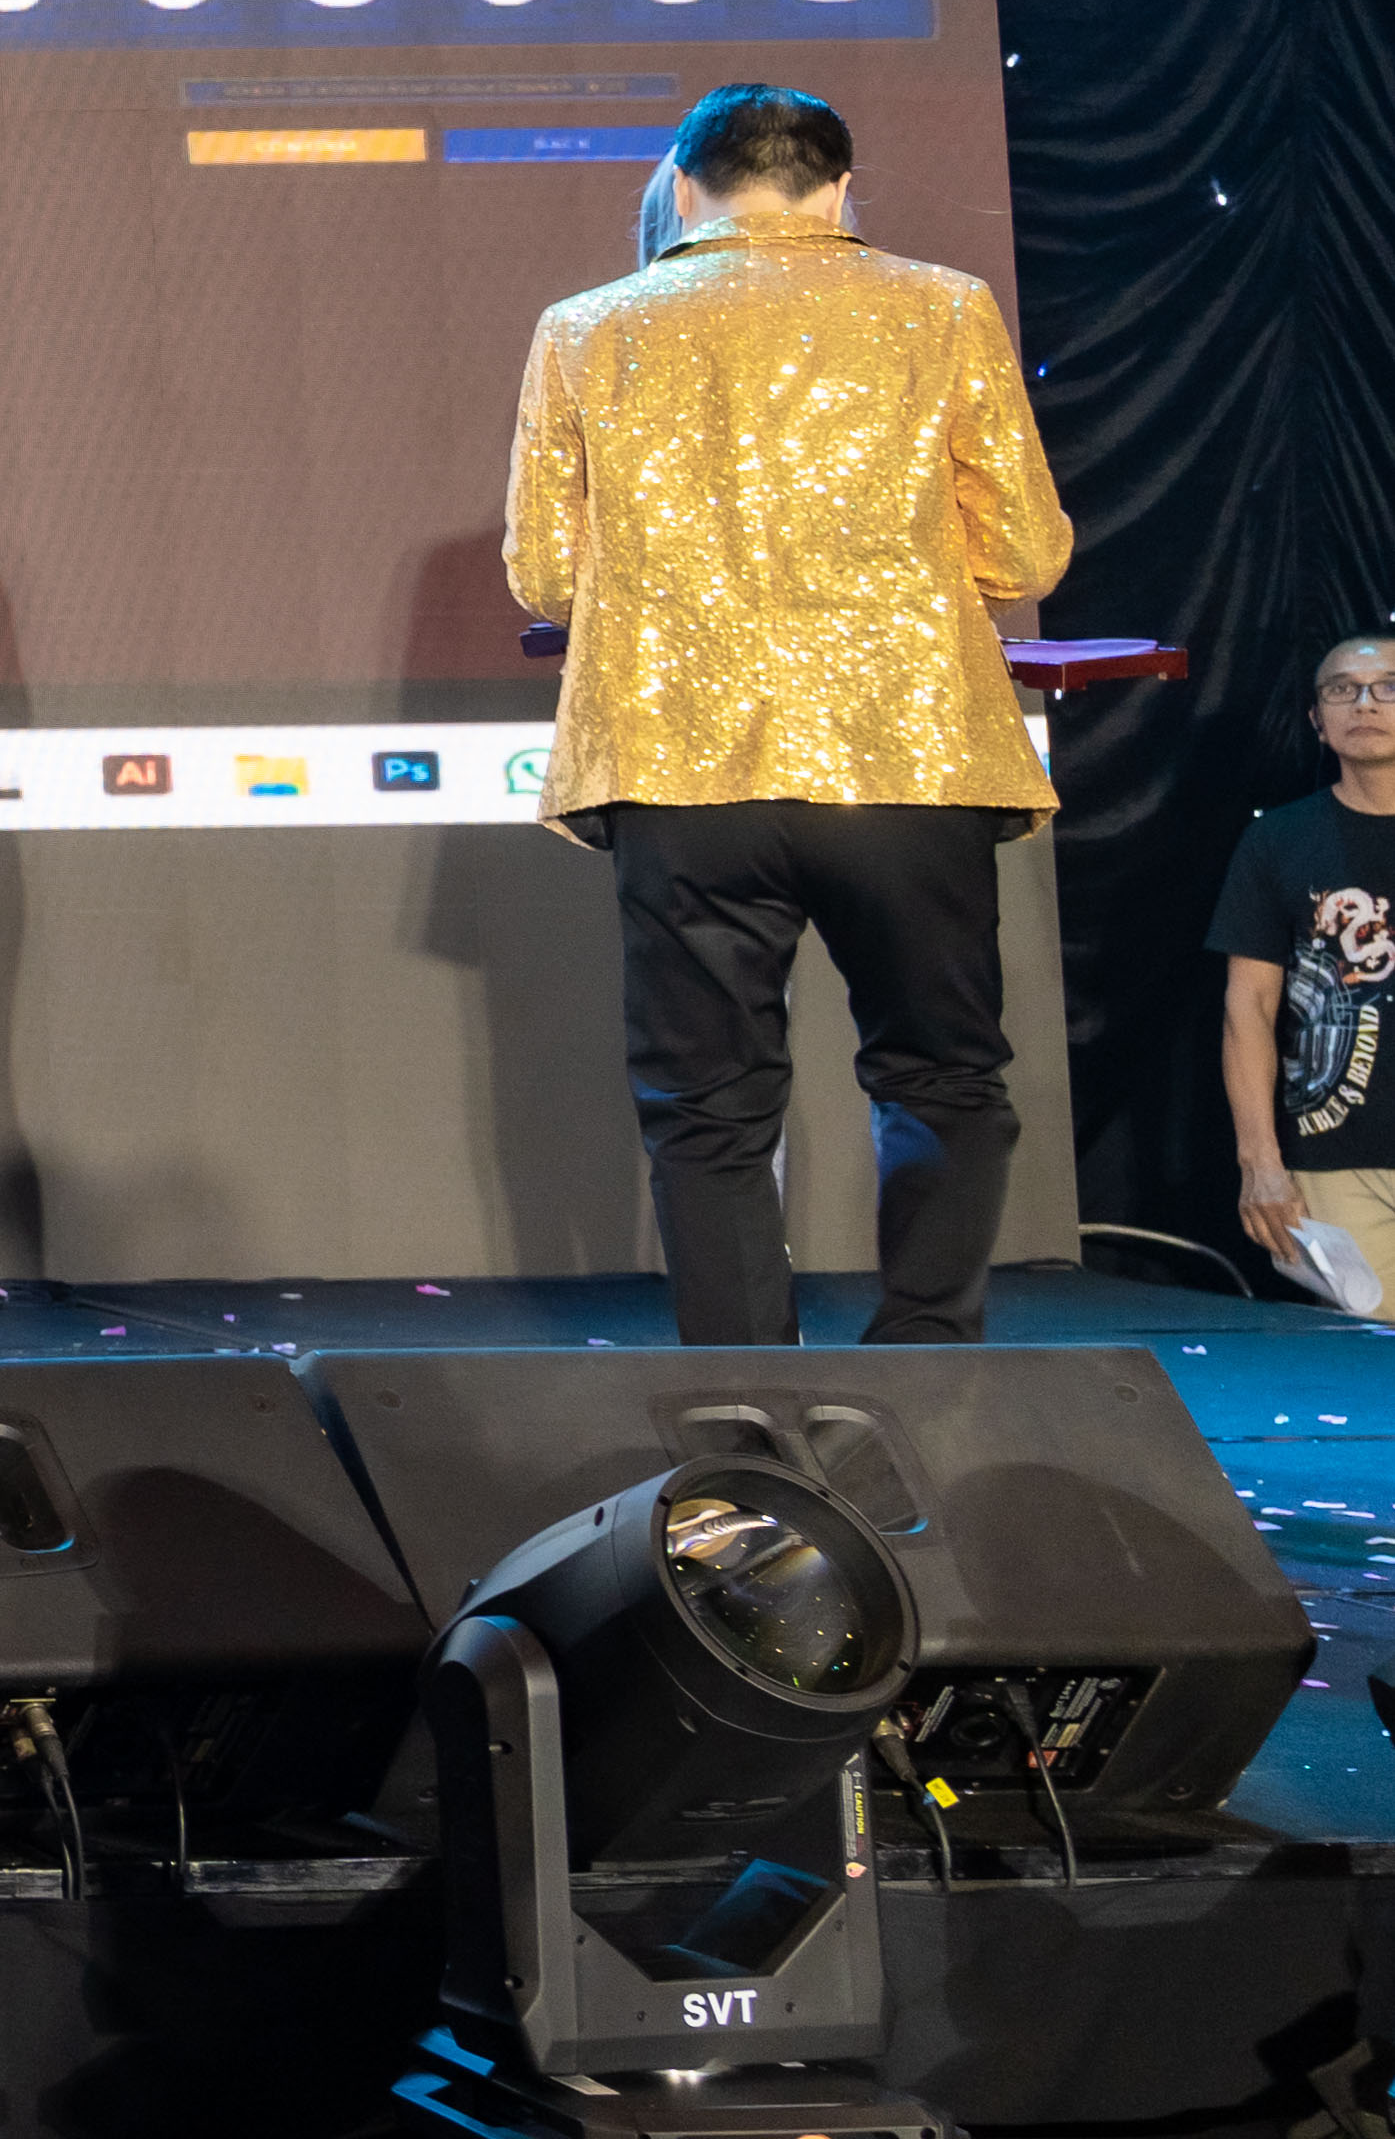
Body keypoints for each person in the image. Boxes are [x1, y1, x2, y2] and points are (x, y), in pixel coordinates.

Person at [500, 81, 1075, 1347]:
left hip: (681, 765)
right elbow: (1026, 553)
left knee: (707, 1108)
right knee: (943, 1073)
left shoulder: (587, 326)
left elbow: (545, 575)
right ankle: (926, 1363)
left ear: (684, 186)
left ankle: (749, 1401)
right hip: (910, 755)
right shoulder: (944, 306)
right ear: (841, 187)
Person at [1215, 631, 1395, 1311]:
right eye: (1342, 690)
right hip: (1335, 1155)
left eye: (1387, 688)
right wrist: (1259, 1162)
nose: (1364, 703)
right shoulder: (1278, 840)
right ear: (1318, 719)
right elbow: (1248, 1008)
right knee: (1369, 1353)